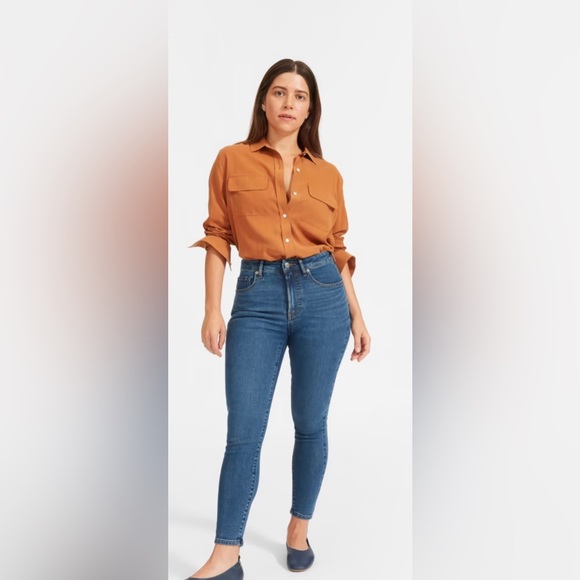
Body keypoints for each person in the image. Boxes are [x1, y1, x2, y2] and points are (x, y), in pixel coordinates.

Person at [187, 58, 371, 580]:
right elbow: (218, 235)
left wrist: (357, 315)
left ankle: (298, 527)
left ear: (311, 109)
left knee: (310, 423)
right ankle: (226, 555)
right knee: (244, 430)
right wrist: (211, 308)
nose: (289, 103)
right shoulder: (231, 159)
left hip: (324, 296)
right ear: (264, 101)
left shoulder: (328, 174)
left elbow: (336, 248)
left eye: (300, 96)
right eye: (280, 92)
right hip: (257, 297)